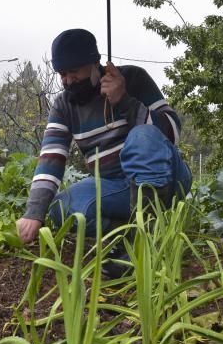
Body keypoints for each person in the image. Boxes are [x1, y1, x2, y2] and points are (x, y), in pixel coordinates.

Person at [15, 28, 192, 274]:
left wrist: (125, 101)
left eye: (73, 71)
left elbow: (171, 134)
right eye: (62, 74)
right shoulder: (64, 105)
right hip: (114, 186)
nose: (67, 80)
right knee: (60, 209)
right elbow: (51, 158)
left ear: (94, 62)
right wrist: (34, 213)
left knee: (142, 136)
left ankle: (147, 238)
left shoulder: (134, 79)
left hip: (167, 177)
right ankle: (125, 234)